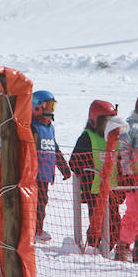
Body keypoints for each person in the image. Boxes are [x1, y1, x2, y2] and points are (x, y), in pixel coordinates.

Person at [70, 100, 126, 251]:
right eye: (107, 122)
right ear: (96, 121)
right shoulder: (87, 137)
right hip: (94, 191)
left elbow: (120, 163)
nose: (110, 126)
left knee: (115, 227)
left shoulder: (115, 139)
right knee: (98, 224)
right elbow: (74, 162)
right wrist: (89, 171)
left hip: (111, 191)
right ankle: (94, 248)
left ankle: (105, 250)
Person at [31, 90, 72, 239]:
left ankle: (38, 229)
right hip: (33, 175)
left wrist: (64, 168)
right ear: (36, 106)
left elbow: (55, 149)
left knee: (42, 202)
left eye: (52, 106)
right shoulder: (32, 127)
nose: (50, 110)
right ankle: (32, 230)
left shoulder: (50, 127)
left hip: (45, 174)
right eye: (47, 106)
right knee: (33, 204)